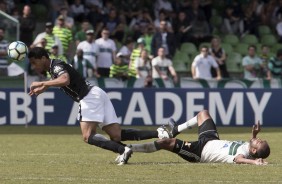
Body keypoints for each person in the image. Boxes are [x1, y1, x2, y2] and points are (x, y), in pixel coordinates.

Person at [27, 47, 170, 165]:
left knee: (87, 136)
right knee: (116, 134)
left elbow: (64, 79)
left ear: (43, 58)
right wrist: (44, 88)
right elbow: (60, 79)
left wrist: (41, 83)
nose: (34, 66)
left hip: (88, 98)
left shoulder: (56, 66)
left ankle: (123, 150)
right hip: (96, 93)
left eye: (34, 62)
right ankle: (159, 132)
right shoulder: (54, 67)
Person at [123, 110, 270, 165]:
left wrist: (254, 163)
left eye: (259, 142)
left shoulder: (244, 156)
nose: (259, 139)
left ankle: (128, 148)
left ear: (254, 151)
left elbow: (238, 159)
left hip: (200, 152)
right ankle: (176, 129)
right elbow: (250, 146)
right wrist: (254, 135)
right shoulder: (249, 148)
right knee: (203, 113)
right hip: (212, 140)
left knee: (166, 142)